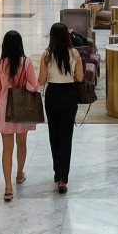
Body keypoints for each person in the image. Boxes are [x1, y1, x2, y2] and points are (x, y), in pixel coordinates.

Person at [0, 30, 38, 202]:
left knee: (7, 148)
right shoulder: (26, 63)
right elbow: (34, 85)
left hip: (5, 106)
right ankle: (19, 174)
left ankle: (7, 187)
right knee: (22, 143)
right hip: (22, 104)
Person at [39, 22, 83, 194]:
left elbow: (42, 81)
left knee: (54, 135)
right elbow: (79, 78)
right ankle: (63, 177)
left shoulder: (46, 55)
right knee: (66, 136)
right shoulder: (75, 54)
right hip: (68, 95)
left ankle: (57, 171)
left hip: (52, 95)